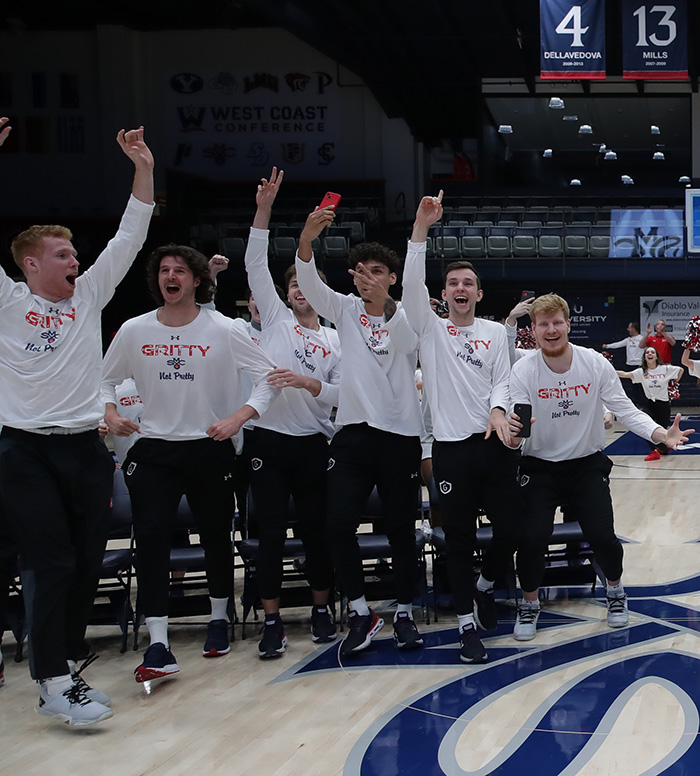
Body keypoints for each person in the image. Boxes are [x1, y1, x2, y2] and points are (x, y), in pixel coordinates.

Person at [0, 118, 154, 725]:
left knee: (87, 561)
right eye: (63, 254)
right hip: (25, 451)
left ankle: (60, 669)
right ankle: (54, 679)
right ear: (31, 265)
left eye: (75, 252)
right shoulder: (10, 303)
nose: (76, 260)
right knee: (50, 562)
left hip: (87, 450)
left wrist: (141, 166)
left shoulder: (88, 296)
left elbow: (131, 232)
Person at [101, 242, 279, 683]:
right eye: (163, 270)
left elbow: (268, 380)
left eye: (179, 270)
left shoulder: (225, 328)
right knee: (153, 539)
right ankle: (157, 641)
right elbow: (103, 381)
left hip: (209, 445)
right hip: (155, 448)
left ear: (197, 279)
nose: (170, 276)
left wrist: (238, 417)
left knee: (216, 536)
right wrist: (110, 414)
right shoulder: (134, 330)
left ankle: (219, 616)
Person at [505, 294, 692, 642]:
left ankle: (616, 591)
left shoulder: (593, 363)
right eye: (543, 324)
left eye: (556, 322)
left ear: (567, 325)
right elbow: (518, 430)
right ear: (533, 330)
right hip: (539, 467)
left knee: (603, 537)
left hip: (586, 465)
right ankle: (529, 604)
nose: (551, 330)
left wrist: (659, 434)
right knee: (531, 539)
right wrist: (513, 438)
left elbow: (623, 409)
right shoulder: (524, 369)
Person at [295, 208, 424, 657]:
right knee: (336, 526)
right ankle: (360, 611)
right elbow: (310, 285)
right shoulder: (344, 309)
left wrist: (386, 304)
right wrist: (308, 239)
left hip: (400, 436)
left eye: (376, 272)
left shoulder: (408, 313)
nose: (366, 278)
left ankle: (404, 611)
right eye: (361, 271)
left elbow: (408, 345)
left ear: (391, 278)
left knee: (401, 531)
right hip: (351, 436)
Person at [397, 193, 520, 663]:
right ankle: (467, 626)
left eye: (468, 282)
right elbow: (409, 286)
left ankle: (487, 587)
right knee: (459, 540)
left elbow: (503, 381)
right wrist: (420, 228)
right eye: (453, 283)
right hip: (450, 450)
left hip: (493, 446)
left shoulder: (494, 333)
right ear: (443, 294)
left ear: (479, 294)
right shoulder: (428, 328)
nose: (461, 288)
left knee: (511, 527)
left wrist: (496, 409)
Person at [242, 168, 340, 659]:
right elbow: (254, 263)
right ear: (285, 293)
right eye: (294, 284)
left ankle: (321, 609)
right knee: (271, 535)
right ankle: (273, 621)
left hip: (313, 445)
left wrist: (308, 382)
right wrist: (264, 209)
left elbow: (340, 395)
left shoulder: (336, 338)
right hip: (269, 443)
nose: (301, 289)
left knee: (316, 533)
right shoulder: (276, 319)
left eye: (310, 283)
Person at [617, 346, 683, 461]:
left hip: (663, 405)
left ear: (656, 356)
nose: (650, 354)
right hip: (649, 404)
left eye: (652, 352)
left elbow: (680, 370)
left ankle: (662, 448)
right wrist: (609, 370)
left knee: (661, 432)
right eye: (647, 352)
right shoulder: (641, 372)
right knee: (645, 426)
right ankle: (654, 451)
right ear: (644, 357)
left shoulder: (666, 368)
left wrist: (674, 383)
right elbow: (625, 374)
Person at [604, 322, 643, 405]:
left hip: (639, 365)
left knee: (641, 385)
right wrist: (607, 346)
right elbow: (618, 344)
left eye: (629, 327)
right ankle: (636, 403)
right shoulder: (628, 340)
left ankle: (644, 403)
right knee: (633, 386)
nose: (627, 329)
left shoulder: (641, 339)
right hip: (629, 365)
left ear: (634, 328)